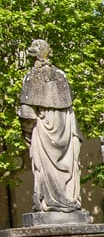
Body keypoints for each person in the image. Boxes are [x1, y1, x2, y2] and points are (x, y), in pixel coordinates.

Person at [18, 39, 83, 213]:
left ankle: (49, 202)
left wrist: (27, 134)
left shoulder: (32, 77)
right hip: (66, 130)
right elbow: (70, 111)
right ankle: (69, 198)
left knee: (44, 168)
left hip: (43, 131)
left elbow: (27, 114)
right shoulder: (61, 76)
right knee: (68, 165)